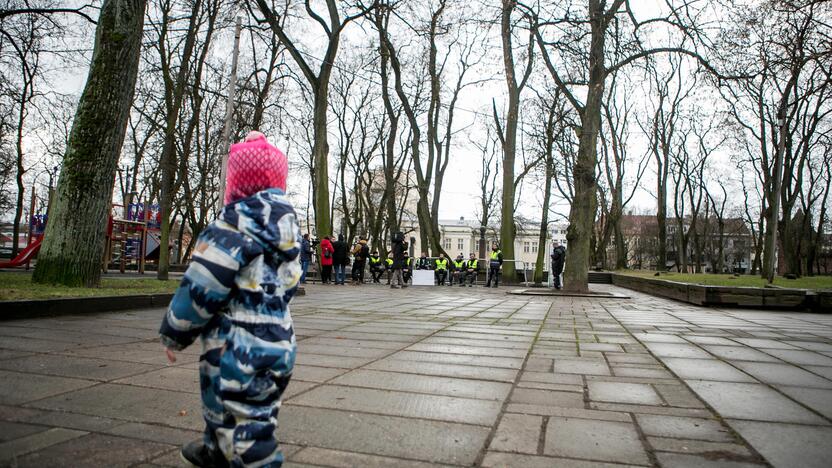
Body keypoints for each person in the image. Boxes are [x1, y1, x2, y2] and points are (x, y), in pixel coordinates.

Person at [159, 130, 298, 467]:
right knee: (249, 412)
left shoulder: (230, 228)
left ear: (235, 185)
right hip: (280, 344)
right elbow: (290, 284)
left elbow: (201, 285)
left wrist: (175, 333)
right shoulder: (288, 233)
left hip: (235, 348)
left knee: (245, 430)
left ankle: (246, 458)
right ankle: (215, 451)